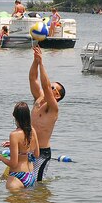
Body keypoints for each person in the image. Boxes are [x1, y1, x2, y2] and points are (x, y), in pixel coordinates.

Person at [27, 46, 65, 182]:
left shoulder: (53, 107)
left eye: (53, 87)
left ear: (57, 95)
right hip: (28, 148)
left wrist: (42, 63)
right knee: (21, 182)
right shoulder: (38, 98)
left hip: (42, 153)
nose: (50, 87)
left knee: (37, 185)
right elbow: (32, 78)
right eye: (52, 86)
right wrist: (36, 61)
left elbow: (46, 86)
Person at [0, 102, 40, 189]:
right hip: (30, 176)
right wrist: (12, 145)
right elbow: (37, 154)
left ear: (15, 116)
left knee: (13, 202)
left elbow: (13, 163)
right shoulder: (32, 130)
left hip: (17, 176)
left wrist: (1, 158)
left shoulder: (14, 135)